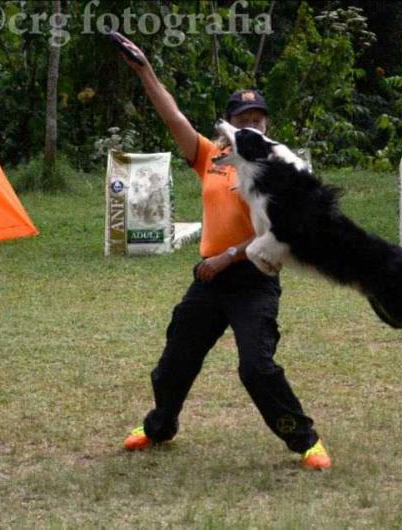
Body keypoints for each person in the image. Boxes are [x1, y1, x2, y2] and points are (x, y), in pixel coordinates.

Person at [114, 33, 331, 470]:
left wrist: (226, 257)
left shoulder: (278, 167)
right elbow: (171, 114)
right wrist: (145, 71)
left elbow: (282, 234)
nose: (253, 124)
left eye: (259, 118)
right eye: (243, 117)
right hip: (209, 281)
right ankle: (159, 427)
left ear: (267, 126)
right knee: (175, 361)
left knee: (257, 369)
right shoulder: (209, 155)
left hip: (252, 279)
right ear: (229, 124)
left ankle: (306, 441)